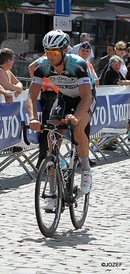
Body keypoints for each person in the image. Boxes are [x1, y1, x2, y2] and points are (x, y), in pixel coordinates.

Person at [26, 30, 96, 209]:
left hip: (84, 98)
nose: (50, 56)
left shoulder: (78, 64)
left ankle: (86, 171)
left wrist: (76, 116)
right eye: (47, 52)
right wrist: (33, 117)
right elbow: (31, 96)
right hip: (64, 98)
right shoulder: (42, 65)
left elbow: (87, 97)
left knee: (78, 128)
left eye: (54, 52)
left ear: (64, 50)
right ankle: (51, 193)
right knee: (51, 142)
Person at [28, 56, 58, 169]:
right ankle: (45, 159)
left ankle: (46, 159)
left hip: (49, 94)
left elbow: (31, 67)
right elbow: (31, 67)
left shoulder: (45, 58)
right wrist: (37, 83)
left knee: (49, 129)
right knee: (48, 129)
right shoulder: (47, 58)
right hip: (51, 95)